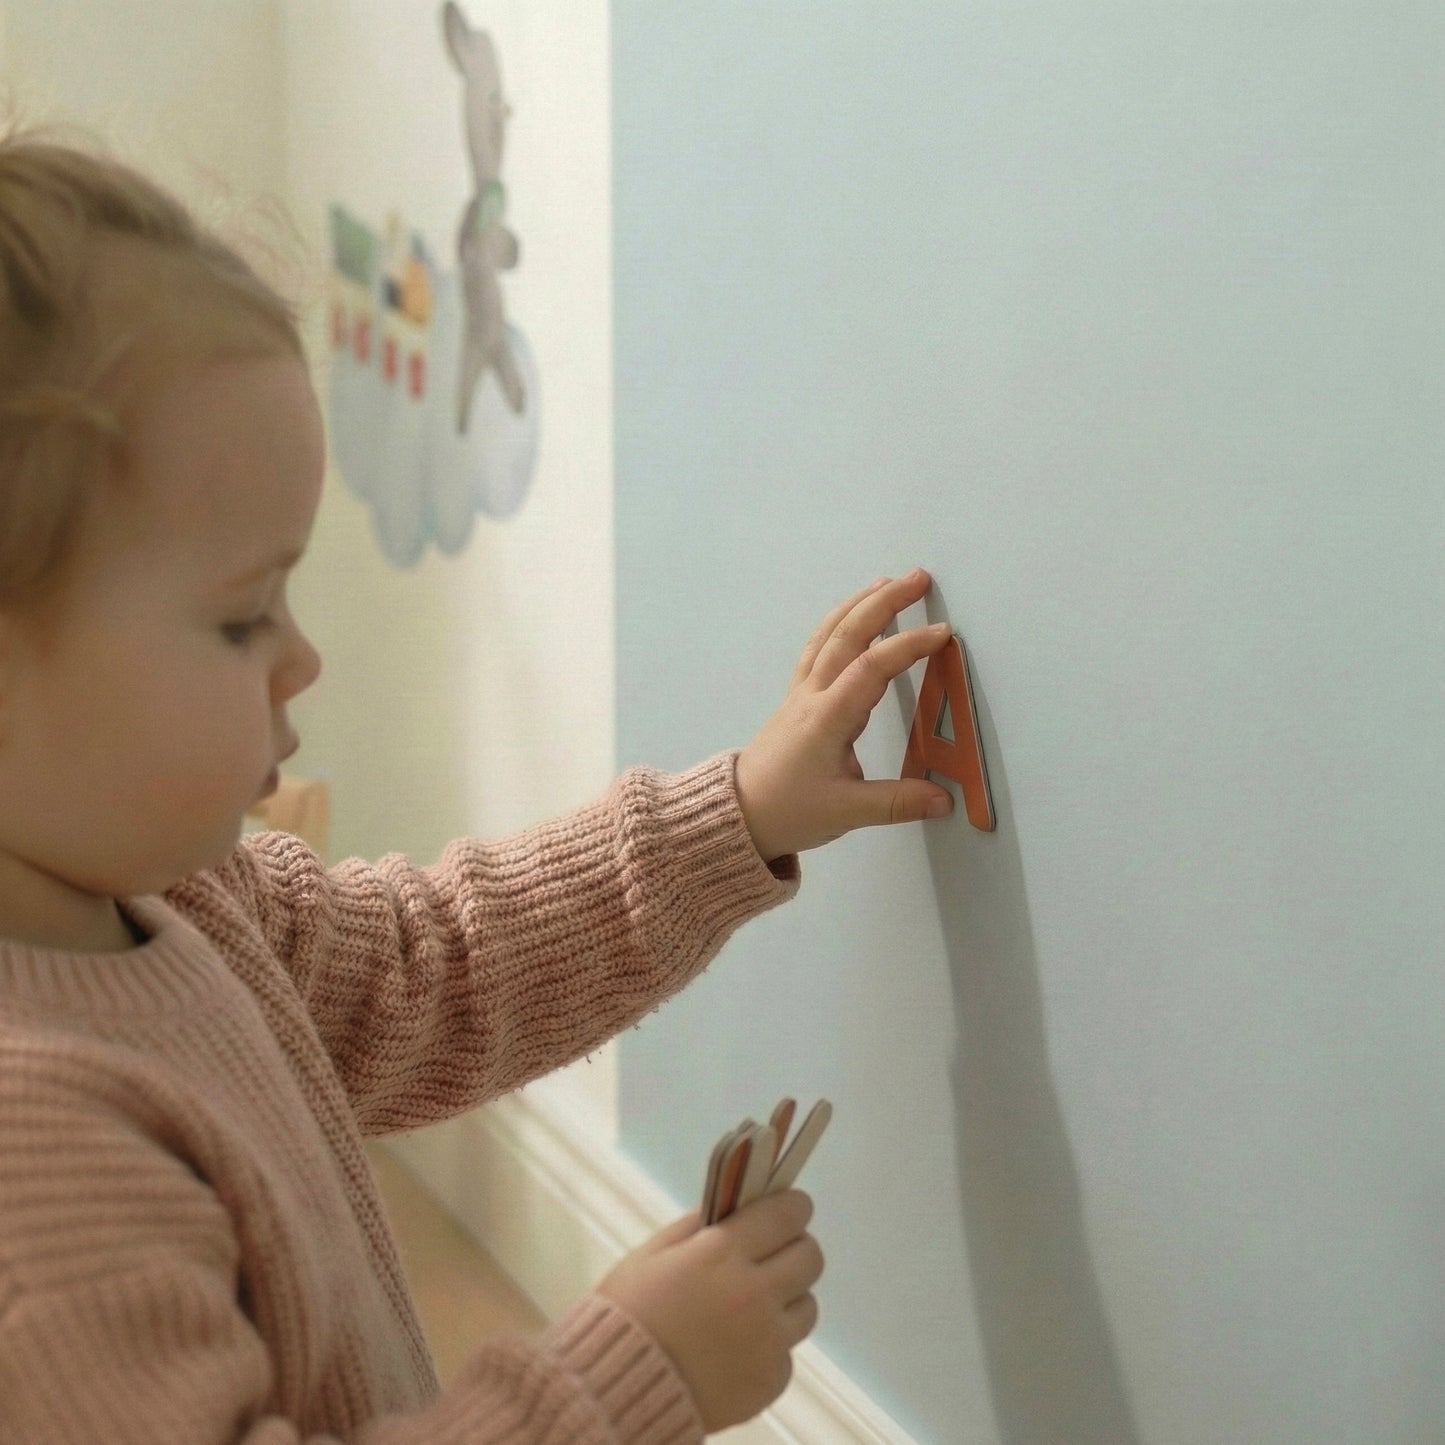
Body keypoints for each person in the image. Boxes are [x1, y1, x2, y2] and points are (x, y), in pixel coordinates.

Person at [0, 124, 957, 1443]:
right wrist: (625, 1380)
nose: (301, 658)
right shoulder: (36, 1163)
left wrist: (736, 811)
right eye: (238, 622)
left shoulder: (181, 893)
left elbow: (429, 963)